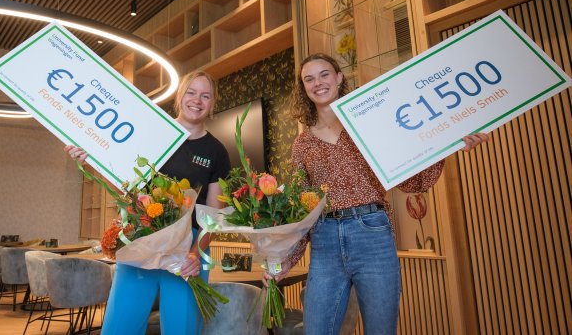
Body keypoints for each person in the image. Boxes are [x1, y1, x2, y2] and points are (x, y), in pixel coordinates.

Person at [266, 53, 489, 335]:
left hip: (372, 233)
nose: (318, 83)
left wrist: (449, 143)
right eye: (309, 79)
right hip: (324, 242)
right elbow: (302, 212)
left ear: (339, 78)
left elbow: (412, 181)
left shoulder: (369, 125)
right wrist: (283, 261)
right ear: (304, 88)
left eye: (324, 74)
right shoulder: (302, 143)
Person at [66, 70, 230, 335]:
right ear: (180, 96)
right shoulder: (152, 132)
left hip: (188, 250)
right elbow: (122, 178)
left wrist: (193, 254)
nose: (197, 100)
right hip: (140, 241)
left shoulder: (216, 152)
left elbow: (212, 216)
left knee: (182, 329)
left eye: (205, 96)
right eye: (191, 92)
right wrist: (89, 158)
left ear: (212, 104)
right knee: (120, 327)